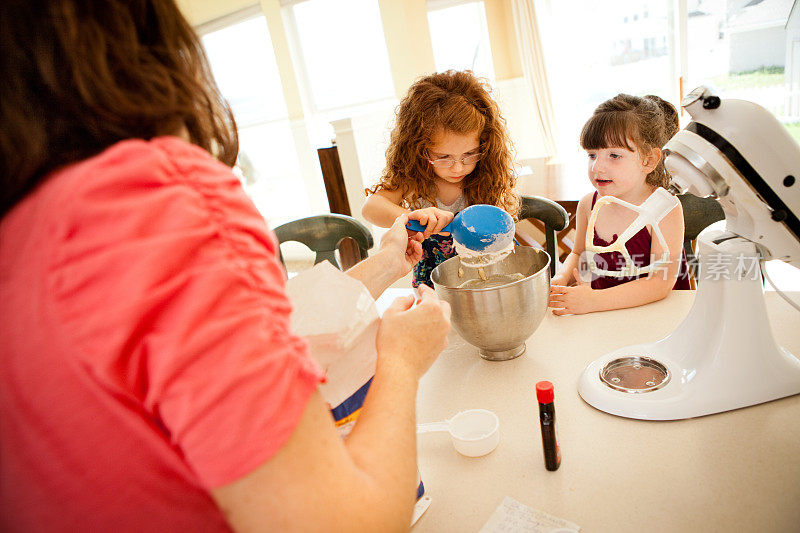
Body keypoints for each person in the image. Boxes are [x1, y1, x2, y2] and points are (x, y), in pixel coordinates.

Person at [0, 1, 452, 531]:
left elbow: (249, 340)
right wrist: (401, 361)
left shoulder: (22, 234)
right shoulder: (161, 201)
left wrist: (380, 265)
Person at [362, 70, 520, 288]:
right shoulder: (414, 178)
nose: (458, 167)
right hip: (433, 278)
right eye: (444, 157)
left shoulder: (485, 177)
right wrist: (413, 217)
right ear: (419, 148)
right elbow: (370, 208)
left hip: (482, 272)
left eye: (469, 154)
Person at [548, 94, 690, 316]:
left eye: (614, 155)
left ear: (649, 160)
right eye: (592, 155)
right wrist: (561, 279)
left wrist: (594, 301)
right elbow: (577, 254)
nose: (598, 167)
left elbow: (659, 284)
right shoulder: (589, 204)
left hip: (656, 317)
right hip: (605, 316)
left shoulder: (665, 209)